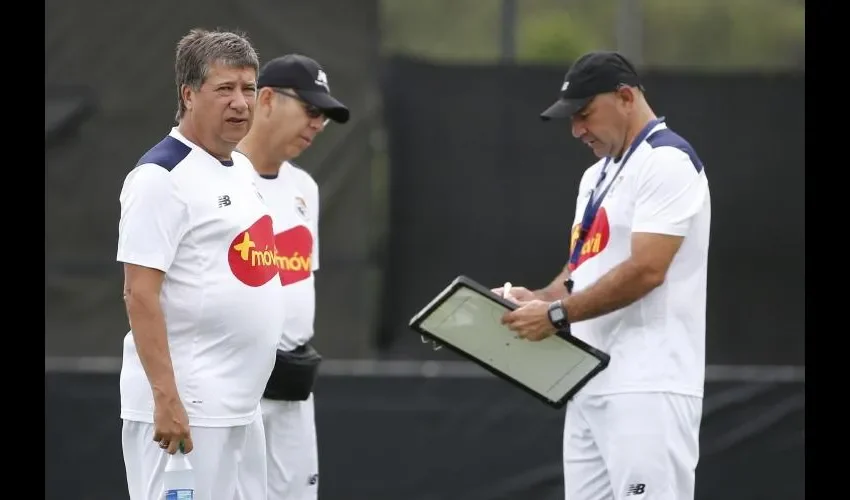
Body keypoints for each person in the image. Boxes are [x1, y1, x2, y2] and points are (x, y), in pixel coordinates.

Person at [497, 51, 711, 500]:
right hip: (589, 382)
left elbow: (648, 270)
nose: (577, 130)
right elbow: (581, 269)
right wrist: (536, 299)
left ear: (626, 97)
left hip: (648, 385)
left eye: (584, 115)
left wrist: (555, 316)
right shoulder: (597, 175)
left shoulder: (667, 160)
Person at [117, 27, 283, 500]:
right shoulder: (160, 177)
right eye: (224, 89)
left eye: (248, 89)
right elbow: (139, 293)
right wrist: (166, 401)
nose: (241, 103)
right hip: (186, 414)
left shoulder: (242, 169)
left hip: (242, 409)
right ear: (189, 95)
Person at [232, 54, 350, 500]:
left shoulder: (305, 188)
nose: (318, 124)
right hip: (235, 382)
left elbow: (298, 286)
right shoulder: (219, 180)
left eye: (325, 116)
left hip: (291, 381)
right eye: (311, 109)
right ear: (265, 99)